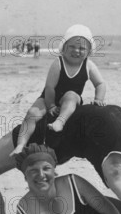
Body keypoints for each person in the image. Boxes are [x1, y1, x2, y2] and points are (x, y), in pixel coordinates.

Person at [10, 24, 107, 156]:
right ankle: (20, 145)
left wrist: (98, 99)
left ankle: (60, 122)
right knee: (32, 113)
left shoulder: (88, 65)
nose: (76, 51)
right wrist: (50, 105)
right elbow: (49, 87)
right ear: (64, 47)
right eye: (72, 46)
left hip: (70, 100)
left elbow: (100, 83)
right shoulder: (58, 63)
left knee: (71, 95)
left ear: (89, 51)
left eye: (81, 48)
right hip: (49, 97)